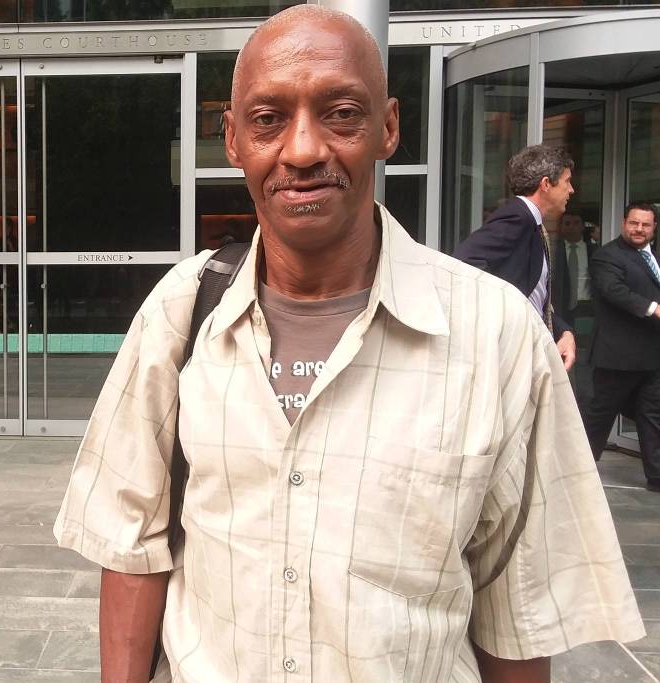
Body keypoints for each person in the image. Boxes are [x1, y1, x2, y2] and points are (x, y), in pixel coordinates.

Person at [54, 6, 643, 682]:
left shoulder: (497, 334)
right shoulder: (180, 313)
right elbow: (132, 545)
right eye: (268, 118)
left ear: (388, 126)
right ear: (234, 141)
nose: (302, 150)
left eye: (340, 112)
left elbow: (517, 605)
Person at [453, 145, 578, 370]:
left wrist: (563, 331)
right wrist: (509, 314)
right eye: (567, 181)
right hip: (509, 354)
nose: (572, 190)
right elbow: (463, 262)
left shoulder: (531, 222)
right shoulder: (517, 217)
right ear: (546, 184)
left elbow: (536, 298)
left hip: (526, 350)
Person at [581, 202, 660, 487]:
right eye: (634, 223)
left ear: (654, 228)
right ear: (624, 223)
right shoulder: (607, 256)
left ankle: (657, 476)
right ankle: (578, 474)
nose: (639, 229)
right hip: (618, 356)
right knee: (600, 416)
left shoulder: (654, 256)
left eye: (646, 225)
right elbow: (614, 291)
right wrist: (653, 308)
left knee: (653, 415)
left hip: (653, 355)